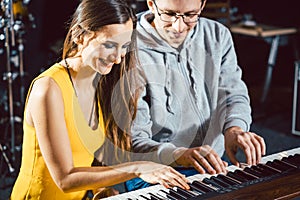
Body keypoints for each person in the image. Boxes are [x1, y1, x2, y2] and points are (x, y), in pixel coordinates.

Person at [10, 0, 190, 199]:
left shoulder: (100, 83)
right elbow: (65, 178)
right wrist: (138, 167)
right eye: (109, 45)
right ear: (80, 35)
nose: (118, 58)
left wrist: (101, 189)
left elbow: (90, 161)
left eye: (124, 47)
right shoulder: (48, 88)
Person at [126, 0, 266, 191]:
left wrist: (234, 129)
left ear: (202, 6)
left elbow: (233, 95)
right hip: (154, 169)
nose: (179, 27)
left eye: (190, 15)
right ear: (151, 4)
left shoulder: (218, 35)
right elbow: (134, 139)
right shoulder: (127, 46)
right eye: (169, 14)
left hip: (211, 161)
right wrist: (181, 155)